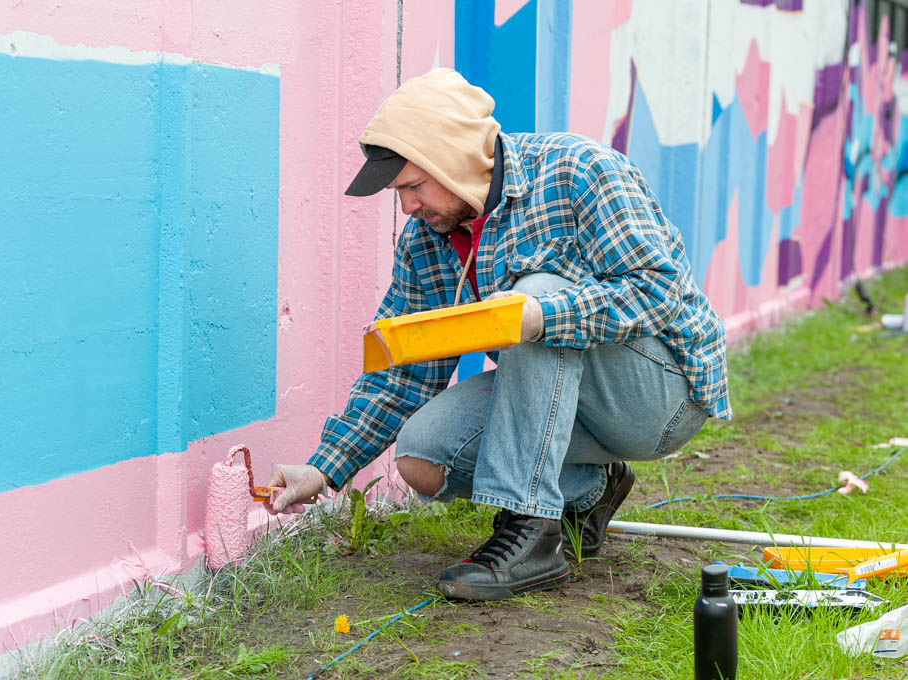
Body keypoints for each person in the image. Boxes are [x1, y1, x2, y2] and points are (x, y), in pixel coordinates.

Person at [265, 68, 731, 601]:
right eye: (400, 193)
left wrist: (540, 315)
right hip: (565, 404)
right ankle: (590, 490)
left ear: (456, 158)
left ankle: (530, 529)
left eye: (414, 186)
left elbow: (658, 290)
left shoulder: (579, 170)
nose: (408, 207)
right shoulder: (426, 241)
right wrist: (323, 469)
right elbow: (403, 371)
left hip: (658, 395)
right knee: (421, 455)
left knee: (533, 294)